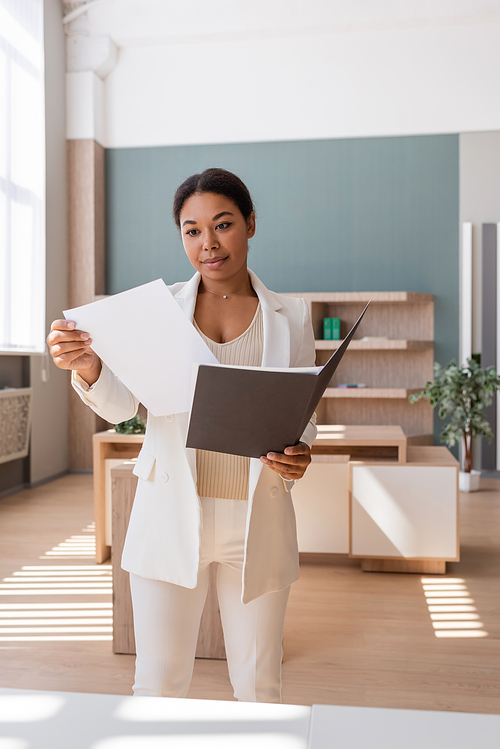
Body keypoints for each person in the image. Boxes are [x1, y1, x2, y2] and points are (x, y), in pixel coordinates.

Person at [47, 168, 317, 703]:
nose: (208, 244)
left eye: (223, 224)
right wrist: (87, 368)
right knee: (158, 683)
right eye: (192, 231)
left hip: (254, 518)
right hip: (170, 511)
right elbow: (122, 406)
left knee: (261, 686)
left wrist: (300, 452)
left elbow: (301, 411)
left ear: (251, 224)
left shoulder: (293, 316)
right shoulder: (157, 312)